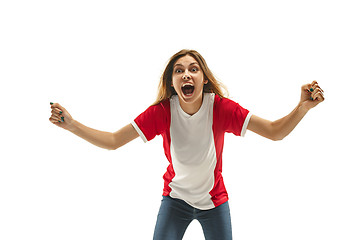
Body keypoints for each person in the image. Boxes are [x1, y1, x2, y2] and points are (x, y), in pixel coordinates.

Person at [49, 49, 324, 240]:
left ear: (204, 79)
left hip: (215, 202)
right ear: (172, 81)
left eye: (194, 69)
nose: (186, 75)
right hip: (175, 201)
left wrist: (303, 108)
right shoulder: (161, 112)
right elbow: (113, 141)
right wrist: (72, 125)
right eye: (179, 71)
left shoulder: (221, 108)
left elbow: (275, 132)